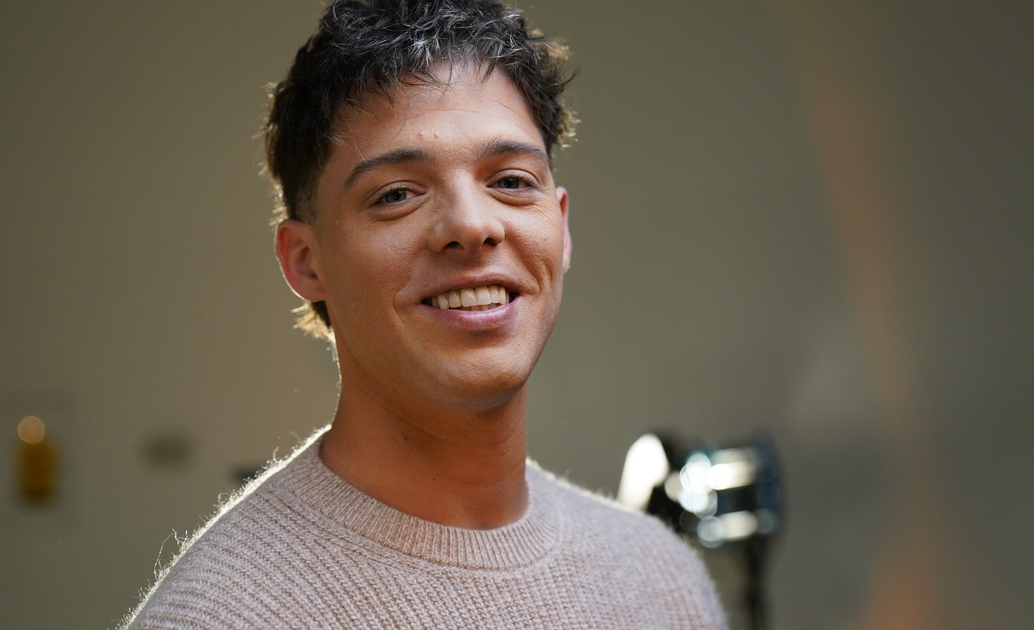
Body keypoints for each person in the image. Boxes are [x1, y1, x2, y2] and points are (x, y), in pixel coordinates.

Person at [121, 0, 726, 627]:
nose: (471, 224)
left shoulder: (663, 580)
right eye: (397, 194)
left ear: (562, 226)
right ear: (305, 261)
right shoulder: (222, 615)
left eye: (511, 181)